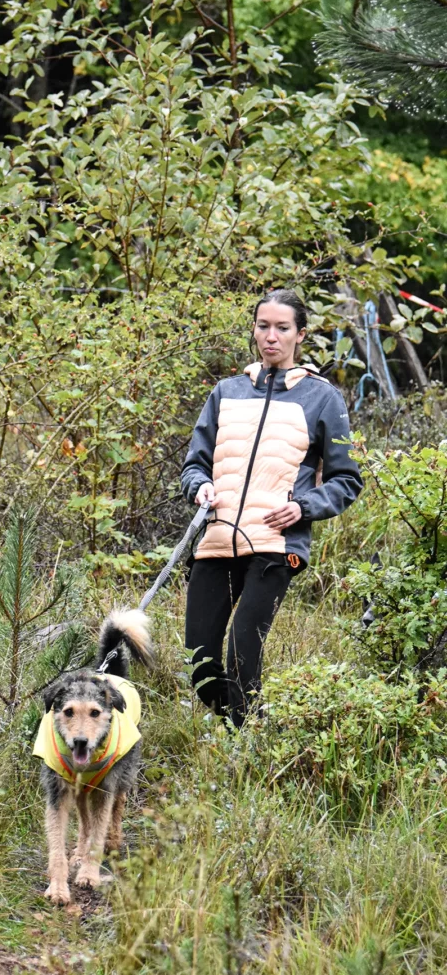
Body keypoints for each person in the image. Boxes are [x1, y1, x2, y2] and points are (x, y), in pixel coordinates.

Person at [180, 288, 363, 728]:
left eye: (282, 328)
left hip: (276, 546)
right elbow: (194, 465)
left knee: (243, 651)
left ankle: (245, 750)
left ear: (300, 335)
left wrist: (303, 507)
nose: (271, 337)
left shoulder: (323, 398)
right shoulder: (226, 392)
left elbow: (347, 480)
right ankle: (259, 724)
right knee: (201, 666)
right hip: (218, 540)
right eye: (263, 326)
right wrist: (200, 487)